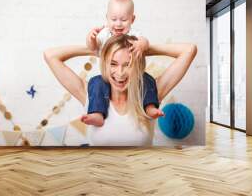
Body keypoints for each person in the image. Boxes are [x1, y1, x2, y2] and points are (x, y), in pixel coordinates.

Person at [44, 34, 197, 146]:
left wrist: (144, 49)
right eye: (113, 63)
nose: (120, 72)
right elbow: (50, 56)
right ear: (104, 63)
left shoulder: (150, 92)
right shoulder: (90, 93)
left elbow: (189, 50)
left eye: (128, 64)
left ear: (137, 66)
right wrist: (96, 50)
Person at [84, 0, 161, 127]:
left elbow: (145, 42)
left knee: (147, 79)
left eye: (124, 19)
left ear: (132, 19)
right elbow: (93, 48)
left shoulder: (134, 34)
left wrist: (141, 45)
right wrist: (91, 39)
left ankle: (149, 107)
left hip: (133, 76)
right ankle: (97, 113)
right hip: (108, 76)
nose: (118, 24)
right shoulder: (104, 34)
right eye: (113, 19)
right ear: (107, 18)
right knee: (96, 82)